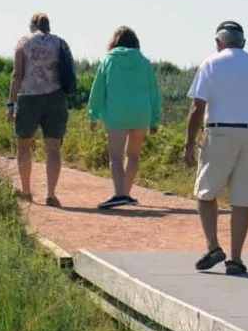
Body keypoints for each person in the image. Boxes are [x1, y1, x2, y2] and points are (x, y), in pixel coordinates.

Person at [184, 21, 248, 276]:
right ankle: (236, 258)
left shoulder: (210, 64)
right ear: (243, 42)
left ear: (218, 42)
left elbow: (197, 107)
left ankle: (213, 246)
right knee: (243, 199)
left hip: (219, 132)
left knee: (206, 193)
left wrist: (189, 143)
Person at [87, 26, 162, 210]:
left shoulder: (108, 60)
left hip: (117, 113)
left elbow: (98, 90)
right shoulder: (144, 63)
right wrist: (154, 119)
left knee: (115, 157)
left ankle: (120, 194)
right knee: (133, 156)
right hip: (140, 113)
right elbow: (154, 92)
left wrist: (94, 115)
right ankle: (126, 193)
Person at [10, 12, 78, 207]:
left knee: (23, 145)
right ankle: (51, 194)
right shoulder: (59, 43)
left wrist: (10, 103)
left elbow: (17, 75)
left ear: (32, 25)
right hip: (55, 97)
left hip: (28, 97)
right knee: (53, 149)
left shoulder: (23, 43)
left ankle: (26, 191)